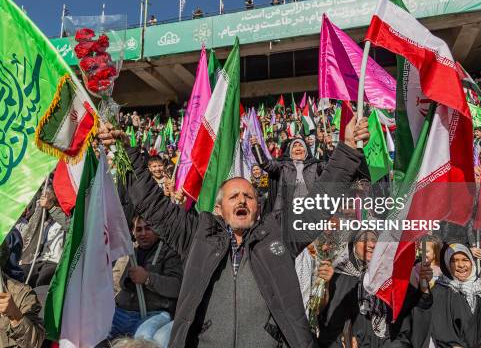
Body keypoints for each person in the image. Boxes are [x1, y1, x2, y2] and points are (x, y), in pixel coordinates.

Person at [110, 115, 369, 347]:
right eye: (234, 197)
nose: (242, 201)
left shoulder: (277, 234)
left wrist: (346, 148)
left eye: (249, 196)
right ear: (219, 208)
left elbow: (320, 204)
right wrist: (126, 153)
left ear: (258, 207)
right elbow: (154, 206)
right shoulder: (197, 234)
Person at [317, 231, 433, 347]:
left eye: (376, 240)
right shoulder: (340, 276)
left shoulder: (391, 274)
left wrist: (423, 288)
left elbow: (411, 311)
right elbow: (330, 321)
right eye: (364, 240)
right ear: (353, 244)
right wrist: (343, 339)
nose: (372, 245)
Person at [112, 216, 182, 346]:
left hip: (153, 313)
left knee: (143, 340)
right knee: (96, 330)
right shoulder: (130, 250)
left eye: (148, 228)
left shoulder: (170, 251)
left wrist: (148, 278)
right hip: (123, 312)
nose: (143, 233)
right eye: (139, 229)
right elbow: (119, 282)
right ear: (133, 232)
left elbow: (176, 286)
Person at [426, 243, 481, 347]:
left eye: (465, 260)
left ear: (471, 262)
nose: (460, 265)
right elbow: (442, 334)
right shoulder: (440, 292)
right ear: (446, 264)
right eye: (454, 261)